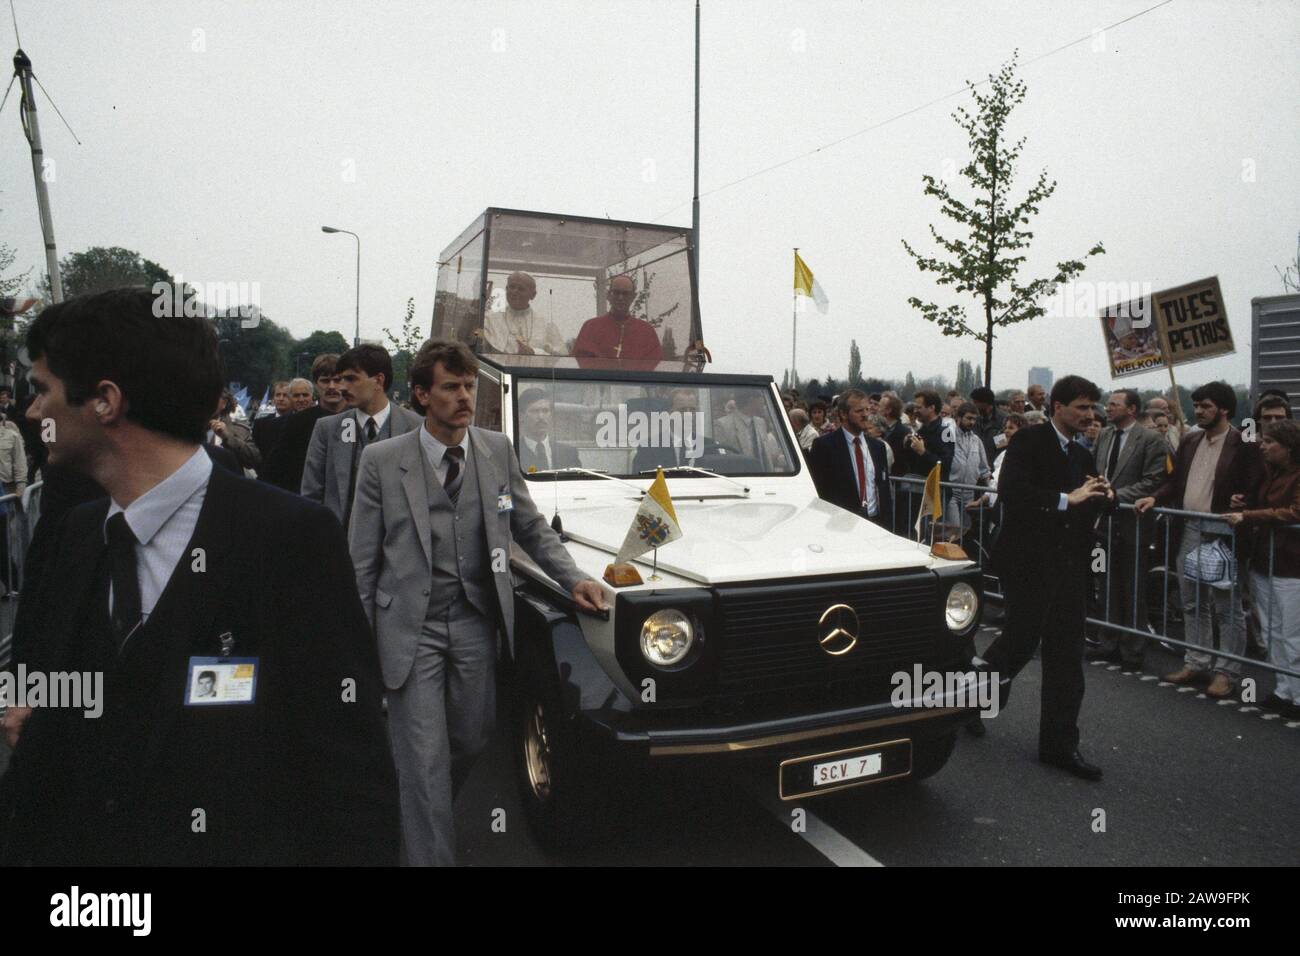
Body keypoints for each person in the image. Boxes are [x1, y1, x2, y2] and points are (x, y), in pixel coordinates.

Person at [0, 287, 399, 865]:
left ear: (105, 401)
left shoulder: (289, 539)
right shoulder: (75, 535)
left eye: (42, 389)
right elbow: (39, 700)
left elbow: (349, 766)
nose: (32, 411)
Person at [349, 339, 606, 866]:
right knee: (422, 763)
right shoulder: (381, 461)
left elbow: (530, 528)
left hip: (474, 621)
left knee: (470, 738)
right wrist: (359, 648)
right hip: (410, 629)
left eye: (469, 386)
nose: (464, 397)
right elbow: (361, 561)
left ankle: (423, 809)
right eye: (451, 387)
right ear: (421, 395)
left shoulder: (496, 451)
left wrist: (573, 578)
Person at [980, 375, 1114, 780]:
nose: (1090, 416)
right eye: (1081, 408)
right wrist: (1063, 500)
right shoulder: (1029, 441)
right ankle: (968, 700)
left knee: (1067, 656)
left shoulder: (1082, 453)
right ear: (1057, 406)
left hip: (1069, 566)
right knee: (1019, 644)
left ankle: (1059, 746)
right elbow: (1013, 492)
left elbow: (1089, 501)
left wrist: (1107, 497)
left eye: (1093, 408)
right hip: (1028, 562)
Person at [1135, 382, 1263, 698]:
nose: (1199, 411)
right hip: (1189, 527)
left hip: (1223, 531)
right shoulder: (1191, 440)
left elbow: (1257, 485)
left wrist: (1244, 502)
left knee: (1227, 606)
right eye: (1197, 405)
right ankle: (1197, 661)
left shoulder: (1243, 442)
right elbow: (1174, 481)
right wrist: (1155, 498)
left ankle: (1227, 671)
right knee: (1192, 601)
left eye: (1205, 406)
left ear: (1224, 409)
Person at [1086, 389, 1168, 668]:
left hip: (1133, 521)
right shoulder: (1105, 435)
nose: (1107, 408)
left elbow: (1153, 480)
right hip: (1104, 524)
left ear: (1132, 409)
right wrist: (1097, 488)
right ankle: (1108, 642)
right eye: (1108, 404)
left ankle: (1133, 649)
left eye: (1114, 404)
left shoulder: (1151, 439)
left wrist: (1116, 495)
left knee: (1133, 587)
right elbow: (1095, 470)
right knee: (1107, 584)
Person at [1224, 420, 1300, 717]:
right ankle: (1284, 689)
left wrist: (1249, 515)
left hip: (1291, 564)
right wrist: (1242, 502)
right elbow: (1265, 505)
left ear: (1289, 447)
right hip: (1264, 560)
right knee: (1272, 631)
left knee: (1292, 633)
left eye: (1270, 442)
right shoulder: (1271, 473)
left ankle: (1298, 695)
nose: (1263, 446)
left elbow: (1294, 511)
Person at [301, 344, 422, 528]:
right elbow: (311, 495)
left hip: (395, 546)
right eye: (341, 379)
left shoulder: (416, 427)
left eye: (351, 379)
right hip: (339, 545)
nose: (342, 387)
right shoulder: (327, 428)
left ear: (378, 381)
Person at [807, 389, 892, 528]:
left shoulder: (878, 448)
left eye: (867, 409)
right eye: (859, 411)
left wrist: (887, 527)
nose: (865, 415)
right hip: (840, 525)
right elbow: (818, 489)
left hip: (875, 525)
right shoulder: (824, 446)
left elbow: (884, 491)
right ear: (843, 414)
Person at [262, 355, 345, 493]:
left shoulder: (357, 418)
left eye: (337, 380)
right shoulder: (297, 422)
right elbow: (274, 469)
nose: (331, 386)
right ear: (316, 384)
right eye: (325, 381)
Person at [572, 274, 663, 364]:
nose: (620, 297)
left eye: (625, 293)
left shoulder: (646, 331)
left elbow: (654, 367)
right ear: (609, 295)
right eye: (616, 292)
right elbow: (581, 365)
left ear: (633, 297)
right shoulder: (591, 327)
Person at [481, 271, 566, 356]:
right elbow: (478, 343)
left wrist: (534, 352)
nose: (515, 291)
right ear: (506, 289)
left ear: (533, 295)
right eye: (511, 287)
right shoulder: (490, 318)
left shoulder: (546, 324)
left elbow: (561, 356)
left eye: (521, 288)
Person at [714, 391, 786, 468]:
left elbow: (765, 455)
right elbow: (723, 458)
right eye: (761, 397)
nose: (764, 402)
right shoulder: (722, 425)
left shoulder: (761, 422)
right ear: (752, 400)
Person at [517, 387, 580, 472]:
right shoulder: (514, 453)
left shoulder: (569, 453)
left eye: (545, 411)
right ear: (521, 416)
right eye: (535, 411)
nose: (541, 417)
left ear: (551, 415)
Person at [210, 389, 261, 473]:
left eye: (213, 397)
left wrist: (228, 437)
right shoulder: (188, 427)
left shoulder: (238, 429)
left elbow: (254, 460)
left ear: (224, 403)